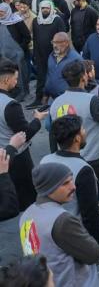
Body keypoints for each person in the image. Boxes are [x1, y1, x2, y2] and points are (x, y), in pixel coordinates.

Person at [48, 60, 99, 198]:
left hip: (66, 157)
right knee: (91, 197)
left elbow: (53, 134)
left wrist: (55, 156)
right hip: (92, 156)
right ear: (84, 77)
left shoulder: (56, 102)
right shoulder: (91, 100)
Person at [19, 163, 99, 287]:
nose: (73, 186)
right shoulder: (62, 220)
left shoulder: (26, 215)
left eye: (71, 180)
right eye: (65, 183)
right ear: (49, 188)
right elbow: (93, 254)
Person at [40, 115, 99, 246]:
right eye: (83, 129)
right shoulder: (83, 169)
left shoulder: (45, 160)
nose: (85, 132)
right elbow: (89, 214)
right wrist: (97, 243)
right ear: (77, 138)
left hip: (48, 230)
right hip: (73, 236)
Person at [0, 59, 47, 210]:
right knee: (29, 201)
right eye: (15, 78)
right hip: (17, 158)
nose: (16, 82)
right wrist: (37, 120)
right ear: (6, 80)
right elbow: (25, 134)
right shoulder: (10, 105)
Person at [31, 0, 67, 108]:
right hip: (40, 54)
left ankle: (57, 100)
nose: (45, 10)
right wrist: (35, 54)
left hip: (54, 54)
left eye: (47, 8)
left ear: (51, 8)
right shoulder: (36, 21)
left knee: (55, 76)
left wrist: (61, 53)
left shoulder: (57, 20)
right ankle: (39, 99)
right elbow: (35, 38)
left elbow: (63, 37)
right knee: (41, 77)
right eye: (43, 8)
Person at [43, 32, 82, 102]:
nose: (55, 45)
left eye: (58, 42)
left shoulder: (76, 59)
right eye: (53, 42)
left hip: (67, 100)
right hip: (52, 99)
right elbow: (49, 76)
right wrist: (45, 95)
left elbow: (82, 80)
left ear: (67, 43)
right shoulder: (51, 56)